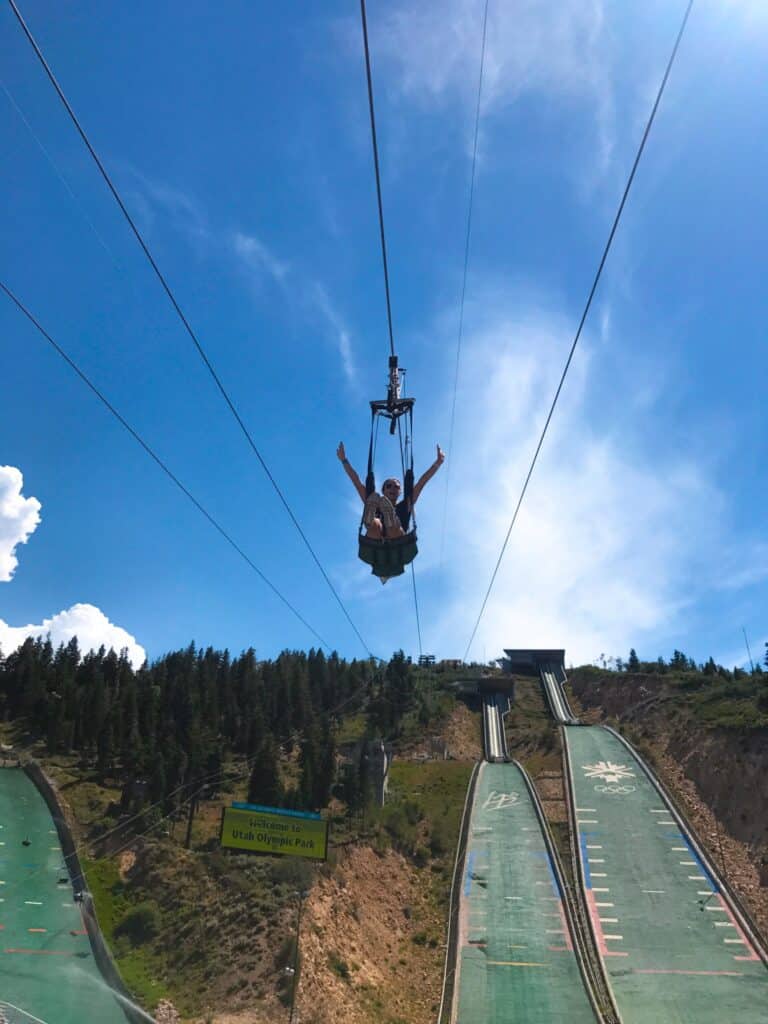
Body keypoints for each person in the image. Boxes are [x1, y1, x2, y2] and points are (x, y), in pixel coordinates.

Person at [337, 441, 445, 539]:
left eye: (396, 487)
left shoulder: (406, 505)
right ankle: (370, 517)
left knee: (393, 526)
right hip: (376, 540)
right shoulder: (376, 503)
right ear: (383, 490)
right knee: (375, 524)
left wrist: (438, 463)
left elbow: (422, 482)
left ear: (400, 492)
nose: (393, 488)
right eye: (389, 486)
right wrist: (344, 460)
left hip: (397, 540)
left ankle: (390, 516)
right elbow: (356, 482)